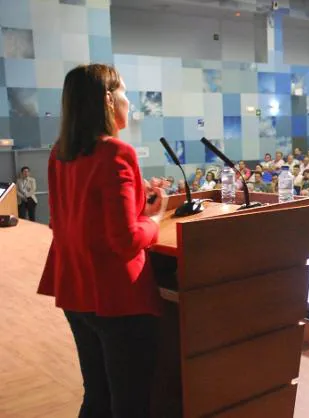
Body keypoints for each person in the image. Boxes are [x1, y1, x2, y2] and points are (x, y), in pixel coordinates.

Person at [38, 64, 168, 417]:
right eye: (125, 92)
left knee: (97, 396)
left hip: (75, 291)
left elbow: (67, 220)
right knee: (130, 404)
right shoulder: (116, 153)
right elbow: (125, 239)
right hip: (116, 298)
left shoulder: (58, 153)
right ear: (109, 100)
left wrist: (141, 200)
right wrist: (153, 220)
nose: (130, 102)